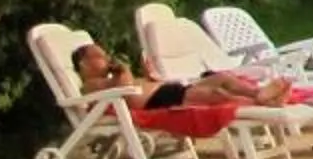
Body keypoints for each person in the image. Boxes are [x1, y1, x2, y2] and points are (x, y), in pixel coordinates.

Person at [70, 37, 287, 110]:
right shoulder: (89, 86)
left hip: (166, 90)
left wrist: (149, 75)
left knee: (223, 78)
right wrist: (122, 69)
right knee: (216, 95)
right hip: (157, 101)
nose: (107, 58)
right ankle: (261, 102)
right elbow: (123, 86)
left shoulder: (110, 78)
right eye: (99, 56)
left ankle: (258, 93)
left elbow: (129, 83)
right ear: (84, 65)